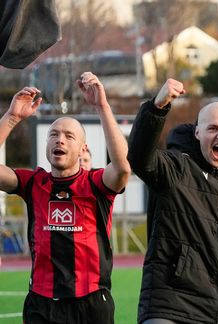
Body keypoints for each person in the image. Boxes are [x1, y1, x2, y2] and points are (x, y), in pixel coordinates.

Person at [0, 72, 131, 323]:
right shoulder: (33, 183)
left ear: (83, 148)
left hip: (90, 302)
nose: (60, 139)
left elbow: (123, 168)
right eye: (54, 134)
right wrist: (12, 116)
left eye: (69, 136)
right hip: (41, 301)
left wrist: (102, 106)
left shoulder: (96, 184)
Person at [127, 79, 218, 323]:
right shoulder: (176, 167)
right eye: (213, 128)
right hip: (170, 303)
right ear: (197, 132)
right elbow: (140, 157)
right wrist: (157, 107)